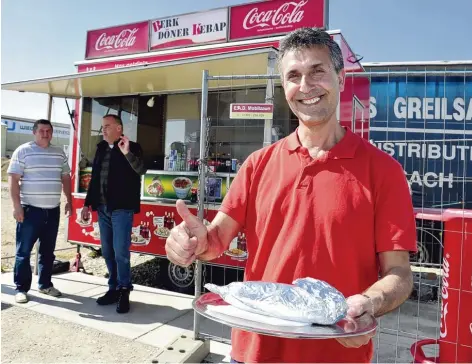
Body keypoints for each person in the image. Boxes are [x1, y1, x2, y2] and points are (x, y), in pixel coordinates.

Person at [166, 27, 417, 363]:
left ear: (341, 77)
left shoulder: (383, 172)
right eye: (294, 76)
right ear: (285, 87)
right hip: (253, 352)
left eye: (318, 71)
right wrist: (192, 243)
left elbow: (399, 274)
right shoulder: (258, 164)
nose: (306, 86)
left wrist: (370, 303)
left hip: (335, 356)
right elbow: (216, 242)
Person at [81, 114, 146, 314]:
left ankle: (124, 290)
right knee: (107, 251)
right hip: (102, 208)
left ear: (119, 128)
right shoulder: (101, 148)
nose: (103, 130)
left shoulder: (133, 147)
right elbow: (95, 178)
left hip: (122, 209)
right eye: (103, 126)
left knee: (121, 253)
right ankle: (113, 288)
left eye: (107, 126)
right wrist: (86, 204)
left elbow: (141, 170)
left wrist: (127, 153)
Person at [8, 119, 72, 304]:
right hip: (30, 210)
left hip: (52, 211)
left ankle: (45, 285)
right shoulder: (23, 151)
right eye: (42, 130)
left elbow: (65, 177)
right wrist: (16, 206)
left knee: (48, 251)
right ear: (34, 132)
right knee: (24, 251)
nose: (46, 134)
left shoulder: (59, 153)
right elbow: (13, 179)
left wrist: (68, 200)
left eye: (49, 131)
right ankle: (21, 288)